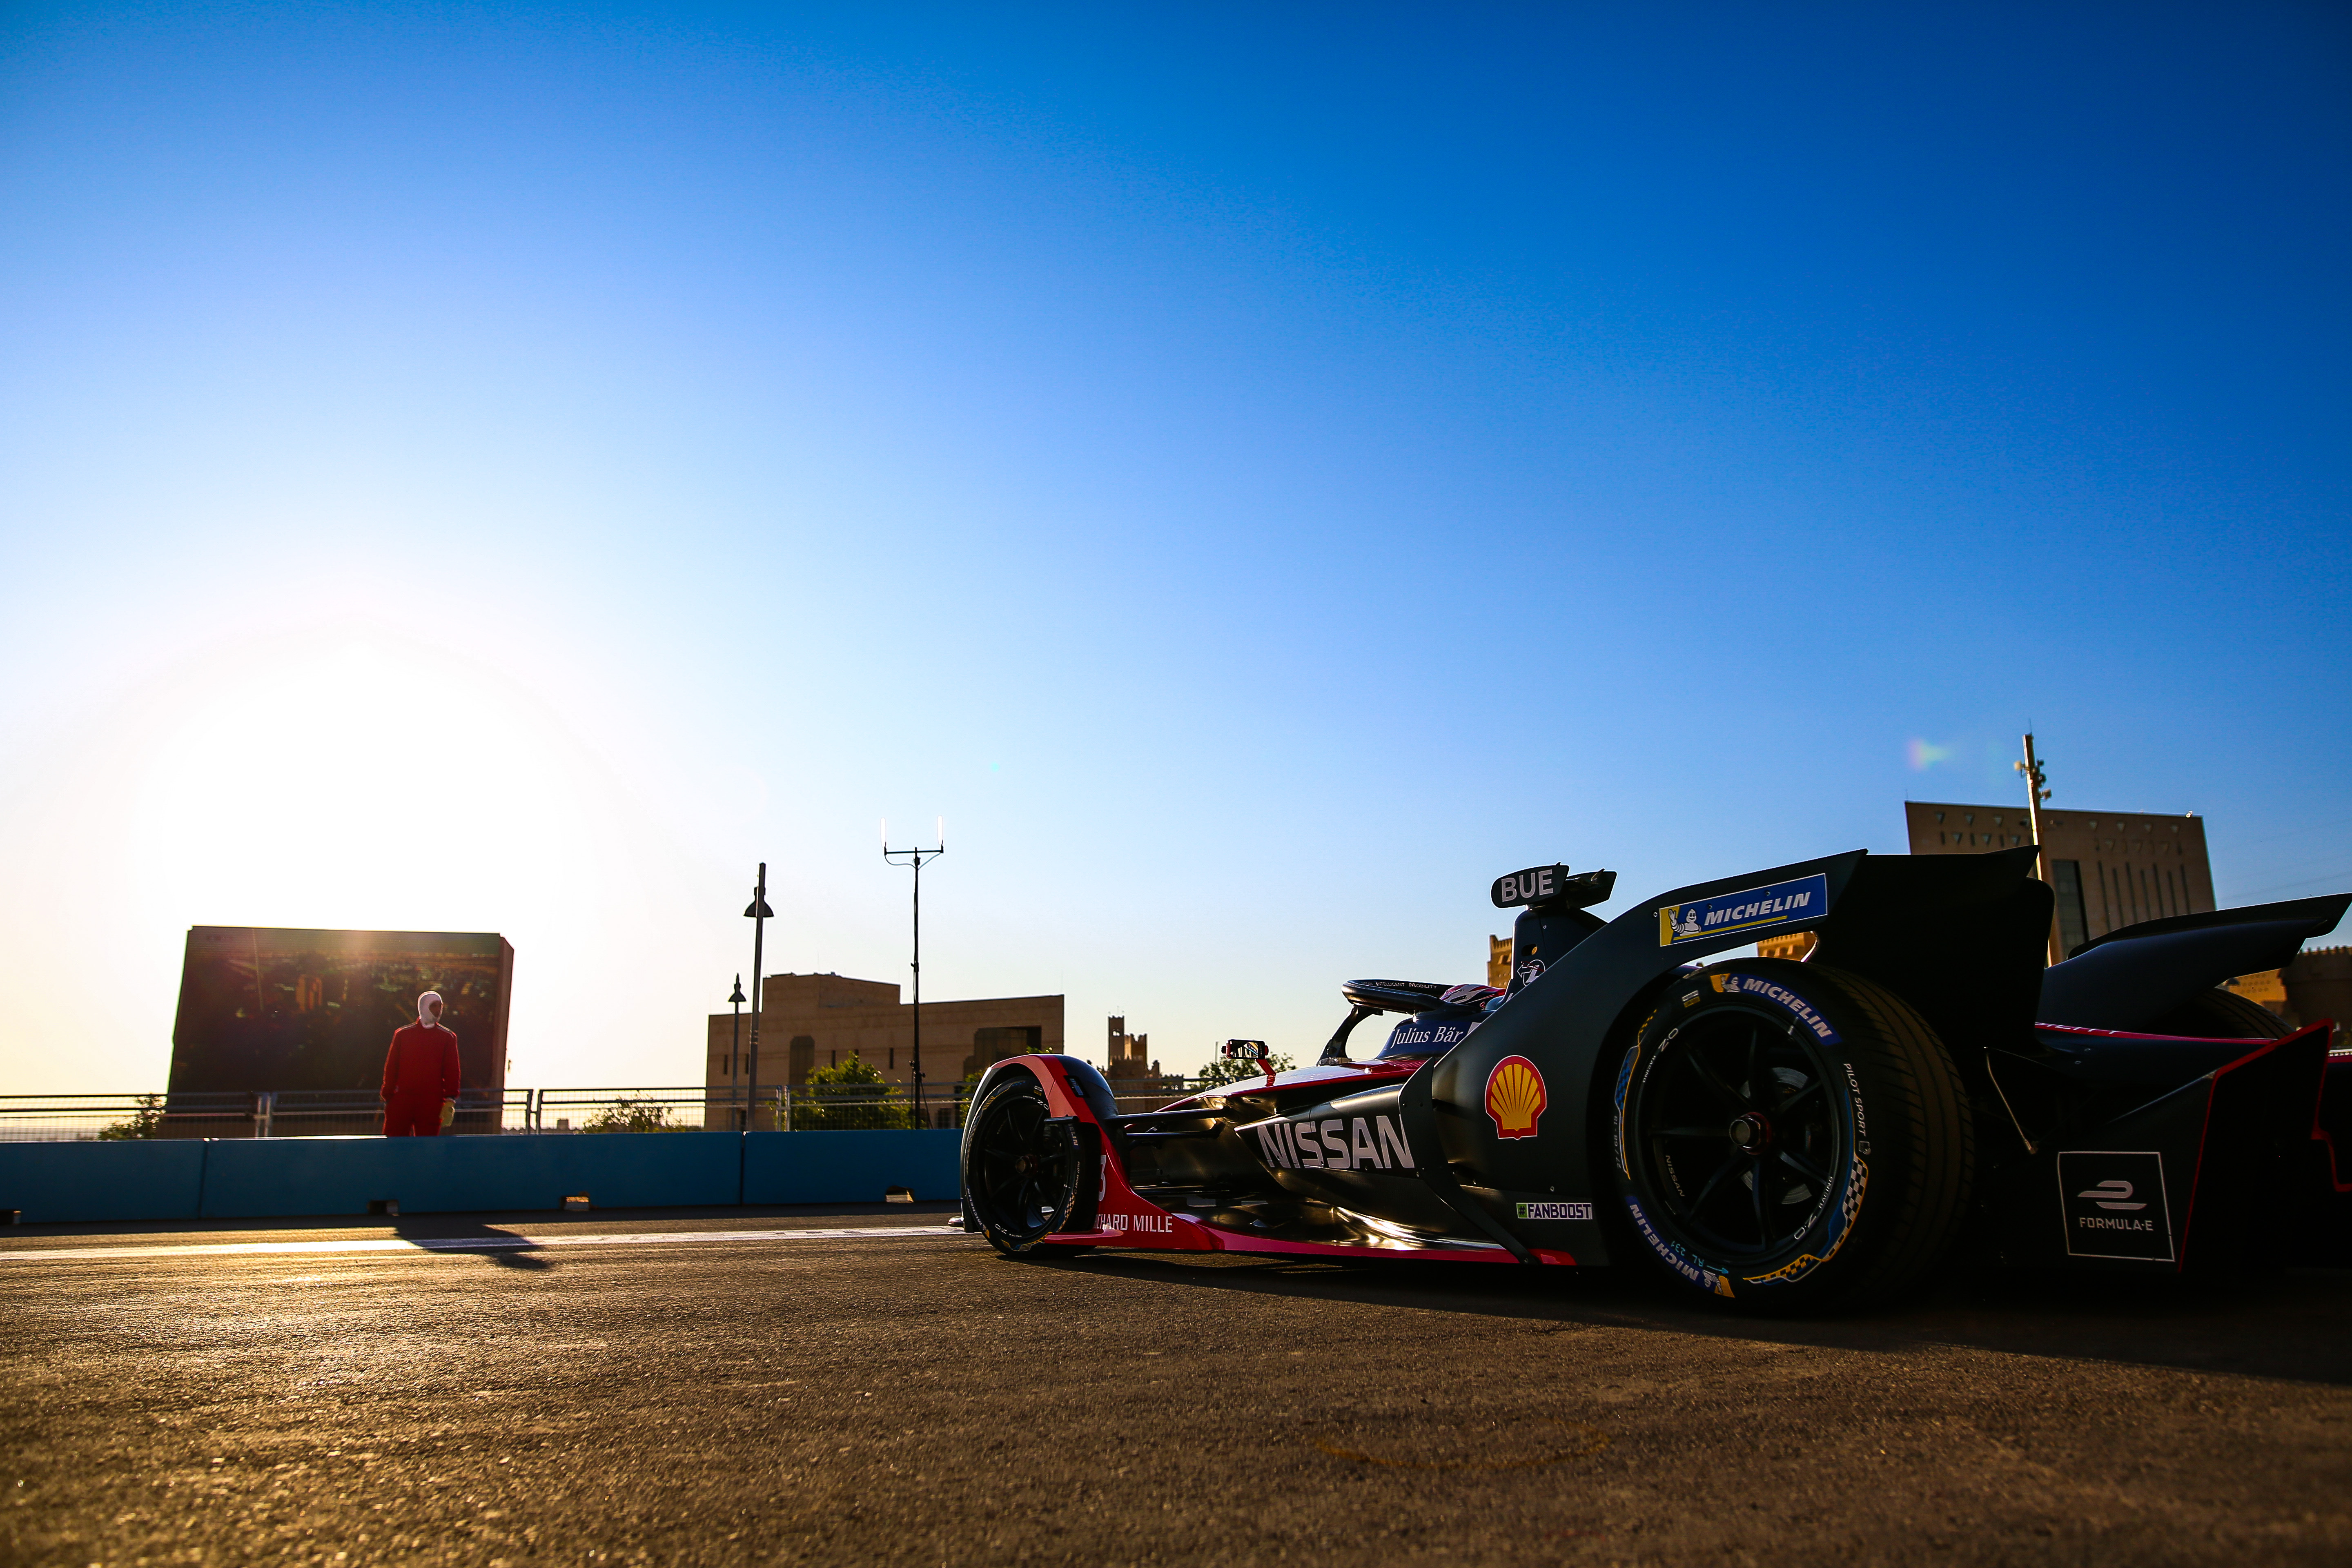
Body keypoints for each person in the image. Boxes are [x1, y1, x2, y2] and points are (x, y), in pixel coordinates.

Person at [381, 991, 462, 1137]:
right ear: (423, 1007)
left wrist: (450, 1100)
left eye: (440, 1006)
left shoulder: (448, 1037)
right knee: (394, 1145)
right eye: (434, 1006)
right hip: (402, 1100)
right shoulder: (403, 1035)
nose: (439, 1010)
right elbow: (392, 1066)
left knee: (427, 1146)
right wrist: (389, 1096)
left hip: (431, 1102)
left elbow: (452, 1070)